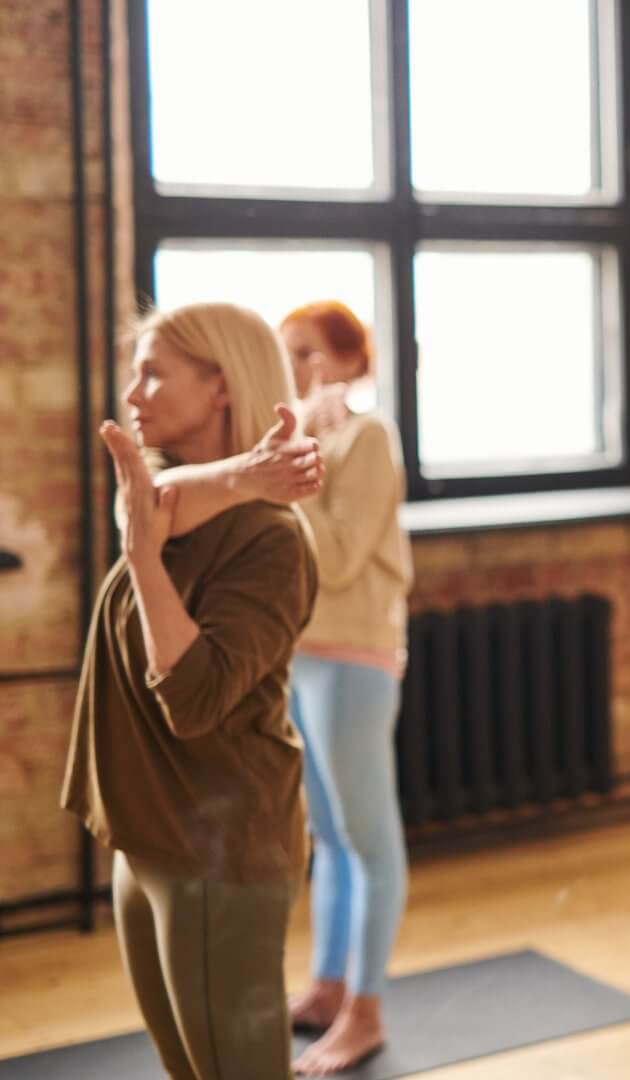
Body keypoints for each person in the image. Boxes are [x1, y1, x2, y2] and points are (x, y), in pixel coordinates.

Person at [61, 302, 321, 1080]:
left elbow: (195, 698)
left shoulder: (269, 540)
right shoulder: (171, 499)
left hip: (220, 843)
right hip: (151, 834)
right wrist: (234, 477)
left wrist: (142, 557)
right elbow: (157, 504)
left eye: (152, 374)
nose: (132, 394)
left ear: (220, 388)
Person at [278, 301, 414, 1076]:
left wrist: (298, 460)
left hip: (355, 656)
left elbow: (334, 561)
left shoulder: (366, 438)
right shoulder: (310, 443)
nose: (294, 368)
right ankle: (327, 990)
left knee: (369, 838)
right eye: (285, 352)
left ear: (343, 362)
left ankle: (365, 1012)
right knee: (326, 837)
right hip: (302, 654)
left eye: (305, 353)